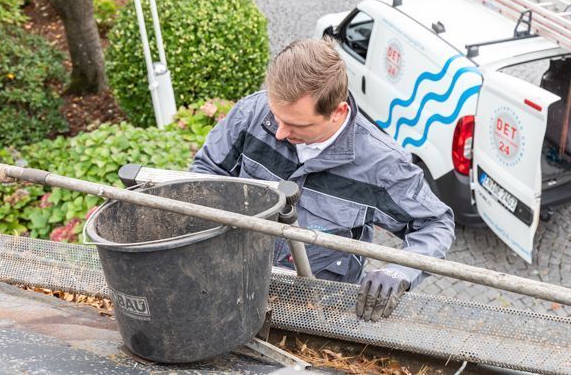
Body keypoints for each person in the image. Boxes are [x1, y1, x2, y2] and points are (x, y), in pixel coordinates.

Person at [190, 38, 455, 321]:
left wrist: (401, 270)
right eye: (277, 116)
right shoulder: (250, 114)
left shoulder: (383, 165)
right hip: (239, 286)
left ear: (337, 112)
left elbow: (435, 224)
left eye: (296, 125)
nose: (279, 133)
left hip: (322, 310)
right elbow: (206, 171)